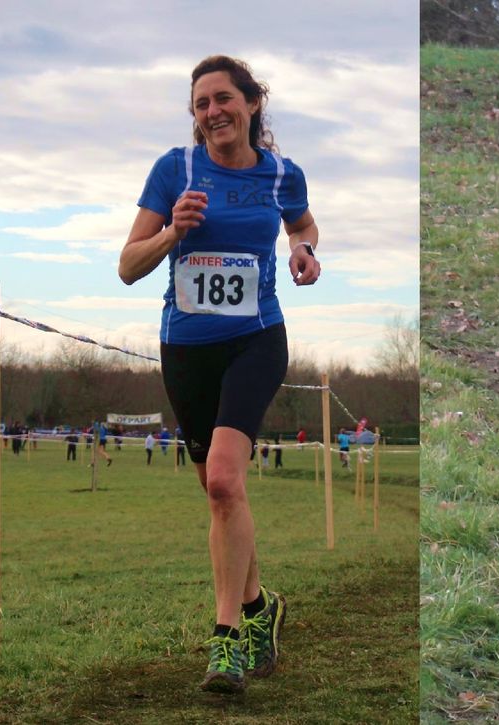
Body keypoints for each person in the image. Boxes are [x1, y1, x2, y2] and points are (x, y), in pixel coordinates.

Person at [118, 54, 320, 695]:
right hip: (186, 351)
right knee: (219, 491)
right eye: (201, 103)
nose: (213, 112)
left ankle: (227, 638)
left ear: (252, 103)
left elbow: (304, 222)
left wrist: (302, 250)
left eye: (223, 98)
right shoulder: (173, 170)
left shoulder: (282, 173)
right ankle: (262, 607)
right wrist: (172, 233)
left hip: (256, 339)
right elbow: (127, 265)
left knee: (227, 481)